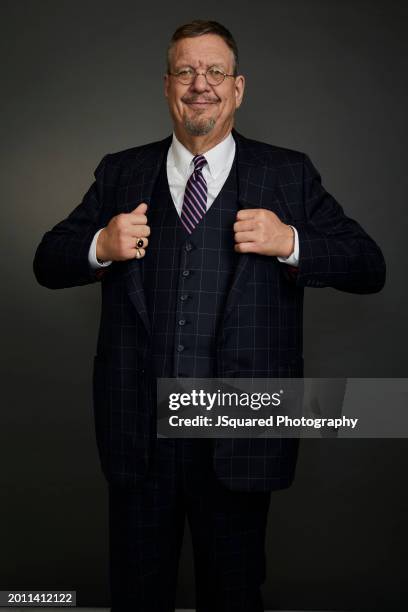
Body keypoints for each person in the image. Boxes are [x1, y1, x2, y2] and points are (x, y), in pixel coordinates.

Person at [33, 19, 386, 612]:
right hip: (139, 432)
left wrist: (291, 240)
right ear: (167, 84)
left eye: (216, 71)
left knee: (233, 595)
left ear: (238, 87)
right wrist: (99, 242)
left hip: (240, 428)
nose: (202, 84)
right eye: (187, 71)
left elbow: (369, 267)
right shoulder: (120, 171)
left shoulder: (287, 173)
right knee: (136, 596)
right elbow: (48, 260)